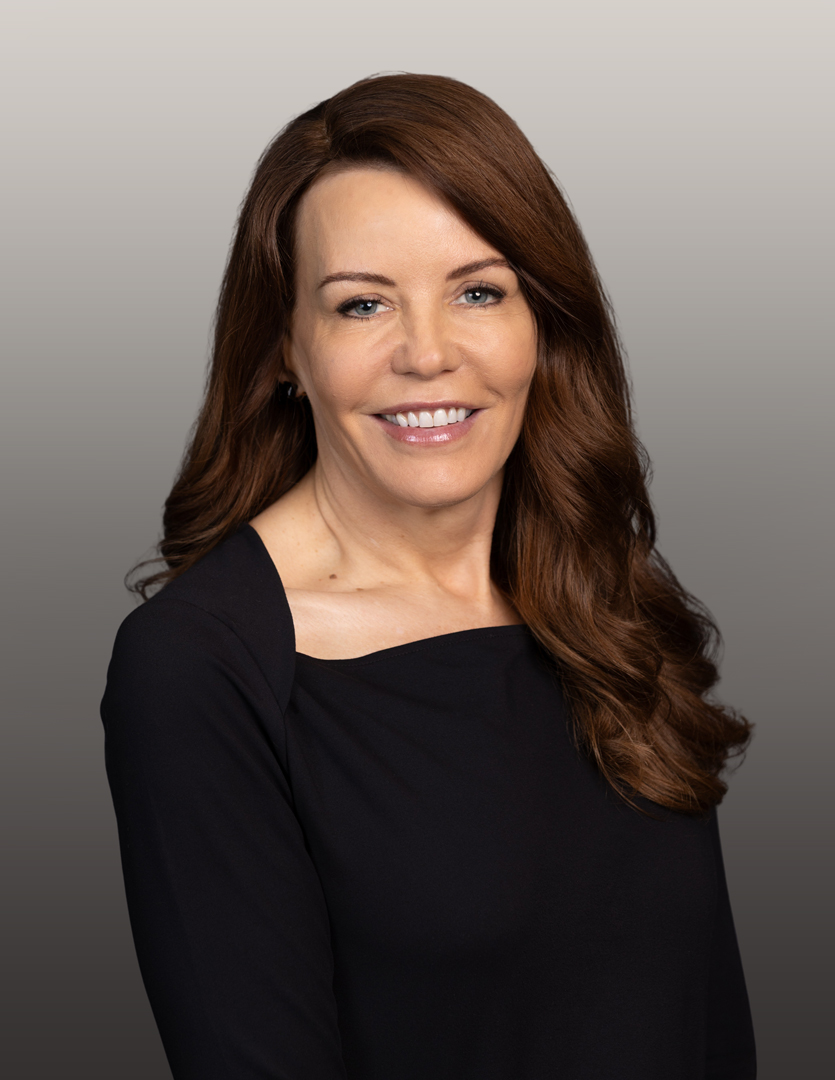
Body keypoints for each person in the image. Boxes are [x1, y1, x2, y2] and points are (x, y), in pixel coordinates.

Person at [101, 73, 756, 1079]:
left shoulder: (595, 588)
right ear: (286, 347)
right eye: (362, 304)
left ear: (540, 321)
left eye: (478, 291)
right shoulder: (202, 668)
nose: (427, 354)